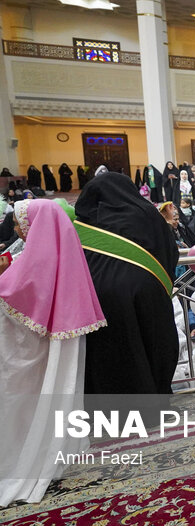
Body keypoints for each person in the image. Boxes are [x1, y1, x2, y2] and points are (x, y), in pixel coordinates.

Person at [0, 200, 107, 507]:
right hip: (48, 351)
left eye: (21, 223)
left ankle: (25, 458)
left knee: (22, 410)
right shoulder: (61, 257)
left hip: (25, 361)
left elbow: (11, 296)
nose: (18, 230)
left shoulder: (34, 261)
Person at [74, 172, 179, 400]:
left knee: (116, 353)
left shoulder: (88, 219)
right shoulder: (147, 213)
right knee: (153, 345)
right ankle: (157, 400)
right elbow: (170, 251)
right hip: (149, 293)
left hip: (101, 298)